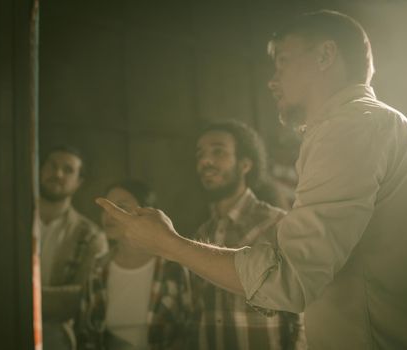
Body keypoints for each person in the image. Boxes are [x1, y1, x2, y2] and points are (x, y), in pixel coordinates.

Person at [97, 10, 407, 349]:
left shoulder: (349, 127)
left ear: (324, 56)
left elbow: (288, 279)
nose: (272, 81)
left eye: (282, 61)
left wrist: (167, 243)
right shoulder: (376, 126)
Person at [190, 120, 305, 349]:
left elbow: (302, 312)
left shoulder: (278, 224)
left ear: (245, 164)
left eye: (218, 151)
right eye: (200, 154)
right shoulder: (202, 233)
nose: (205, 161)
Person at [75, 180, 192, 350]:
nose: (109, 215)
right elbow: (85, 334)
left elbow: (188, 331)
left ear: (145, 213)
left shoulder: (173, 268)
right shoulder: (98, 269)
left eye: (121, 207)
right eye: (105, 208)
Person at [39, 145, 108, 349]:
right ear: (40, 170)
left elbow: (81, 296)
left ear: (78, 182)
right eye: (52, 166)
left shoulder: (91, 236)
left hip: (56, 341)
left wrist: (17, 297)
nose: (58, 173)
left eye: (68, 169)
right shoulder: (10, 221)